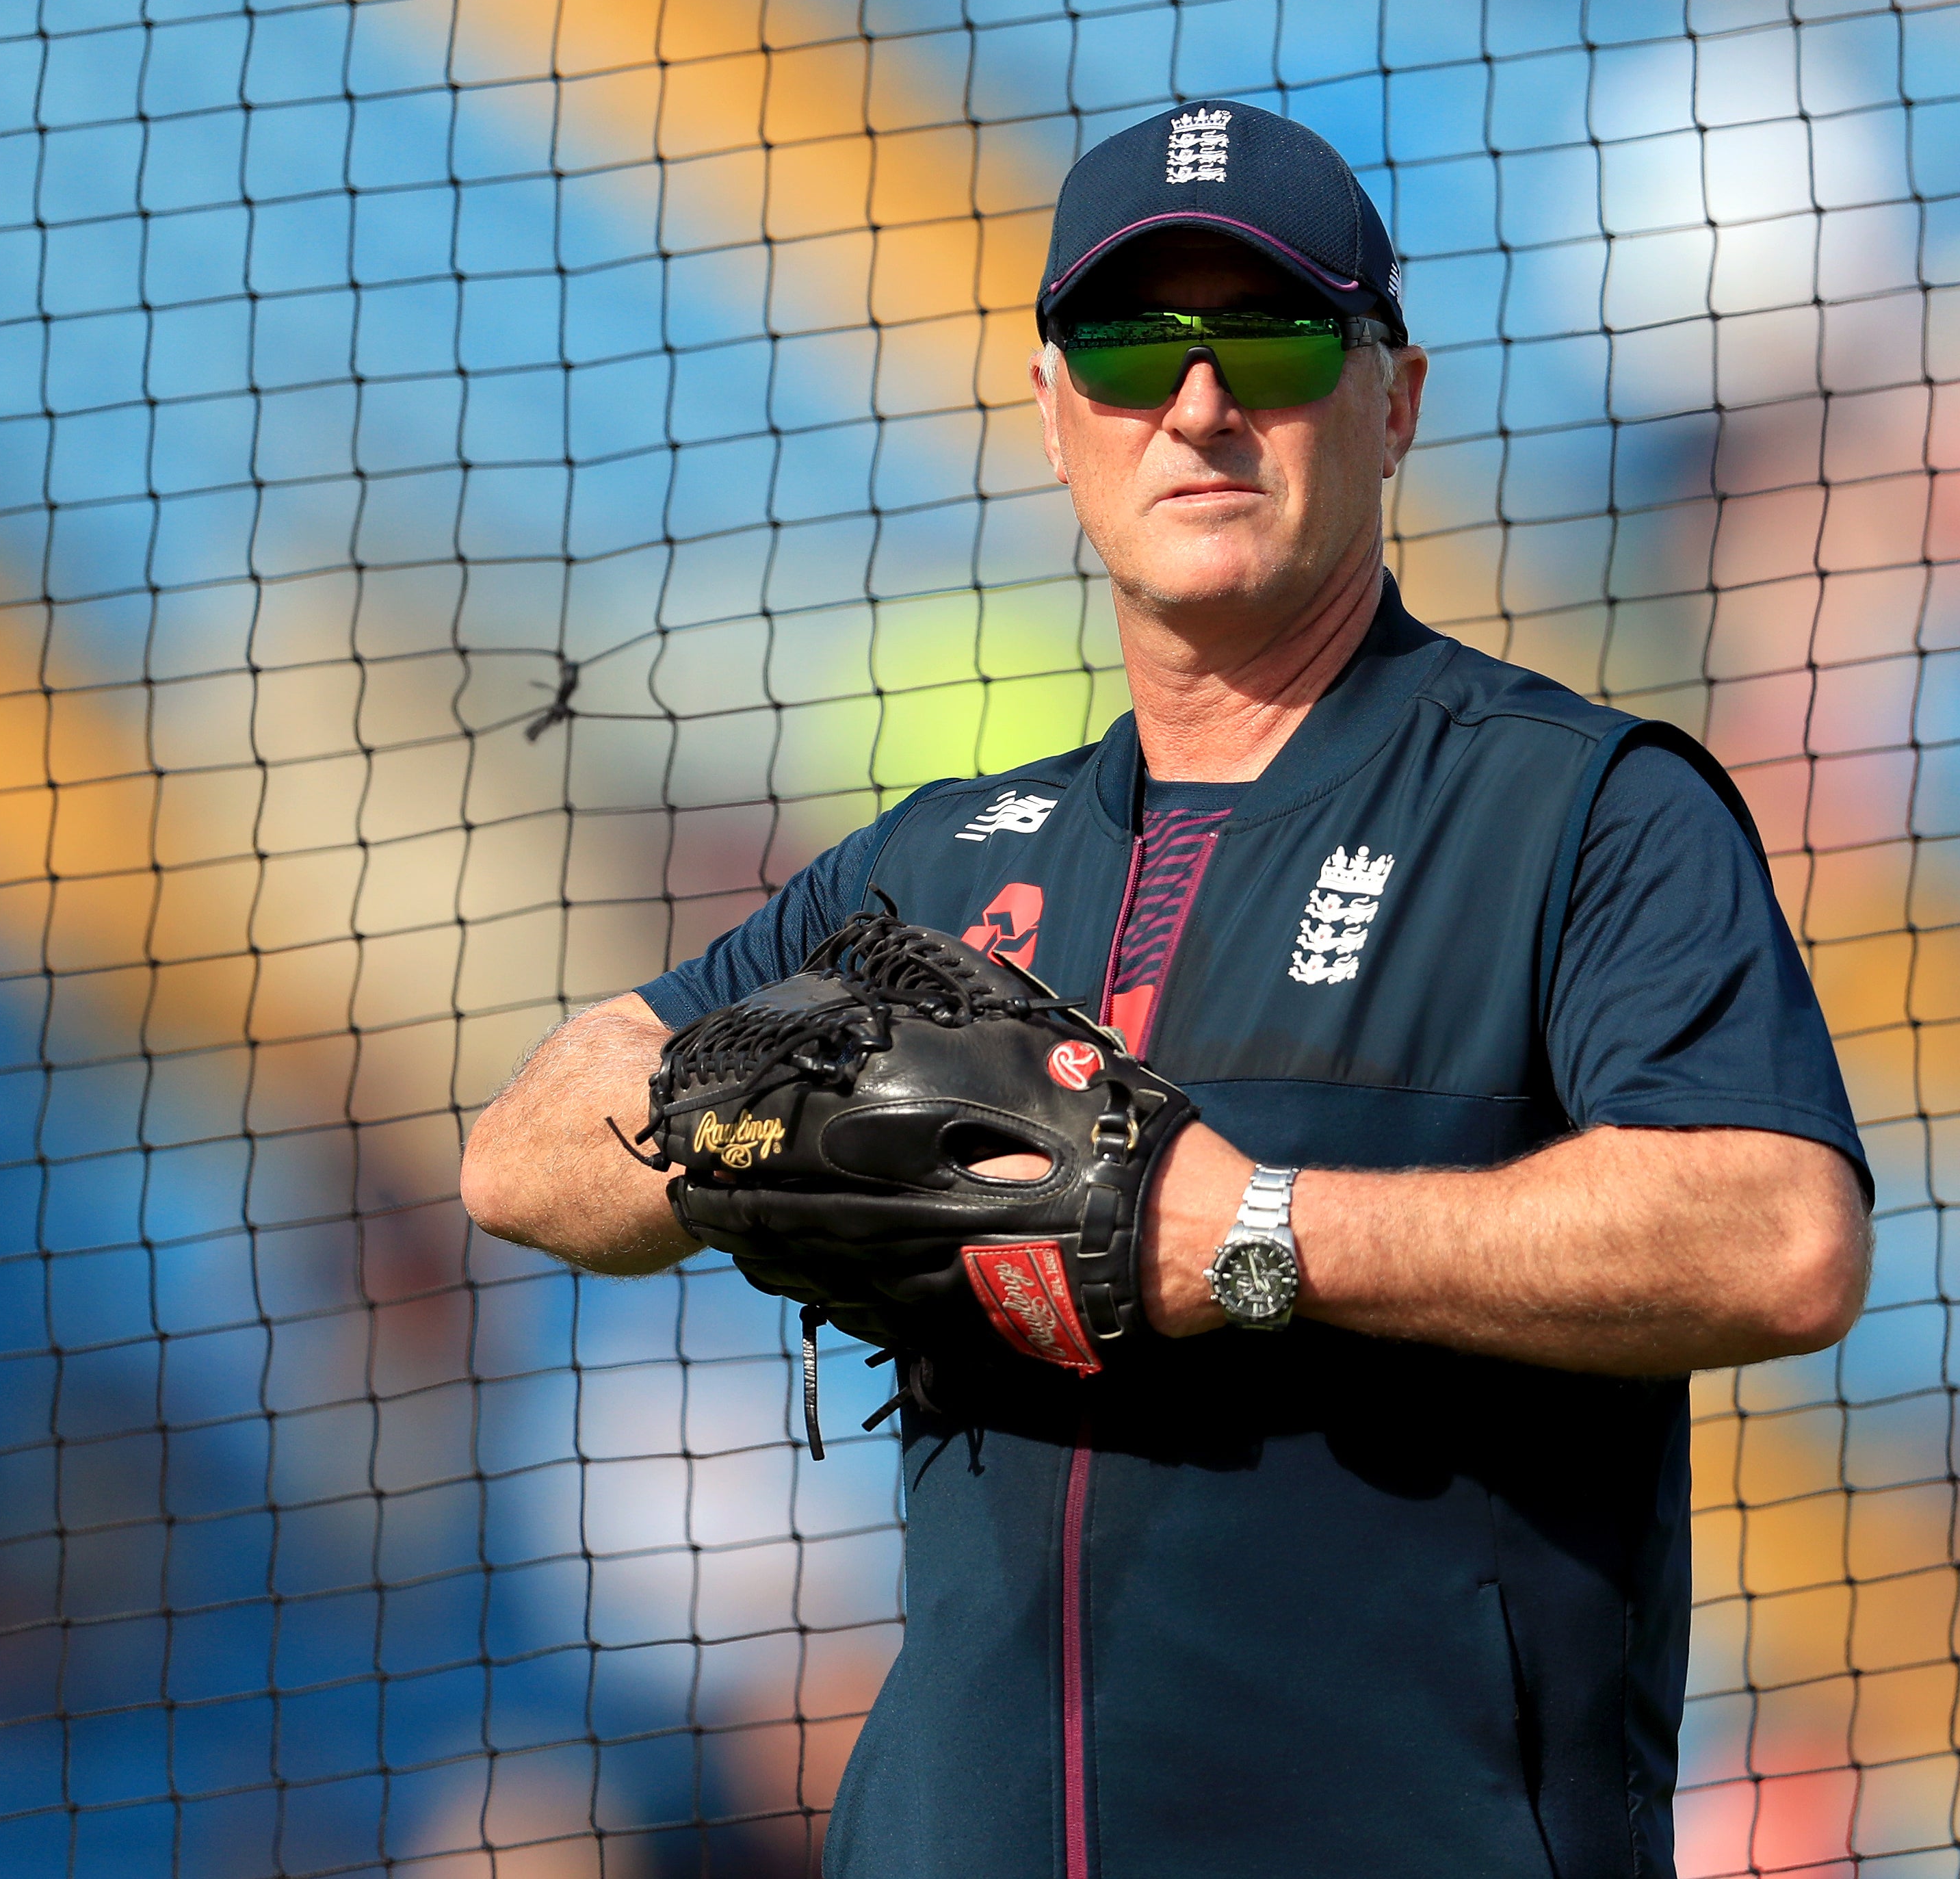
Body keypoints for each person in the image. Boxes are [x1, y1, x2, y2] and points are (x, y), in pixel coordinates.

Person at [462, 100, 1870, 1879]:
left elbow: (1778, 1239)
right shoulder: (939, 863)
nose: (1196, 404)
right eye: (1132, 346)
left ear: (1394, 400)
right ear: (1058, 418)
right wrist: (763, 1129)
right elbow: (522, 1159)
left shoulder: (1581, 804)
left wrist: (1252, 1235)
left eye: (1267, 337)